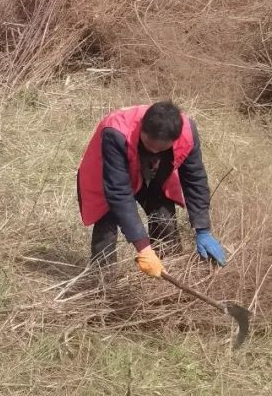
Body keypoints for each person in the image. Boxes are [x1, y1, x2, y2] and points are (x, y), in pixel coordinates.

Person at [77, 101, 226, 279]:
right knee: (106, 226)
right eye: (149, 144)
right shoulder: (116, 132)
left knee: (164, 218)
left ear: (174, 140)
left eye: (161, 148)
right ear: (142, 128)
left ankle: (167, 275)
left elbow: (195, 179)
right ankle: (103, 281)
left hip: (151, 173)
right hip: (109, 173)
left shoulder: (187, 133)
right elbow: (119, 193)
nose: (154, 151)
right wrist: (143, 248)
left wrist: (203, 229)